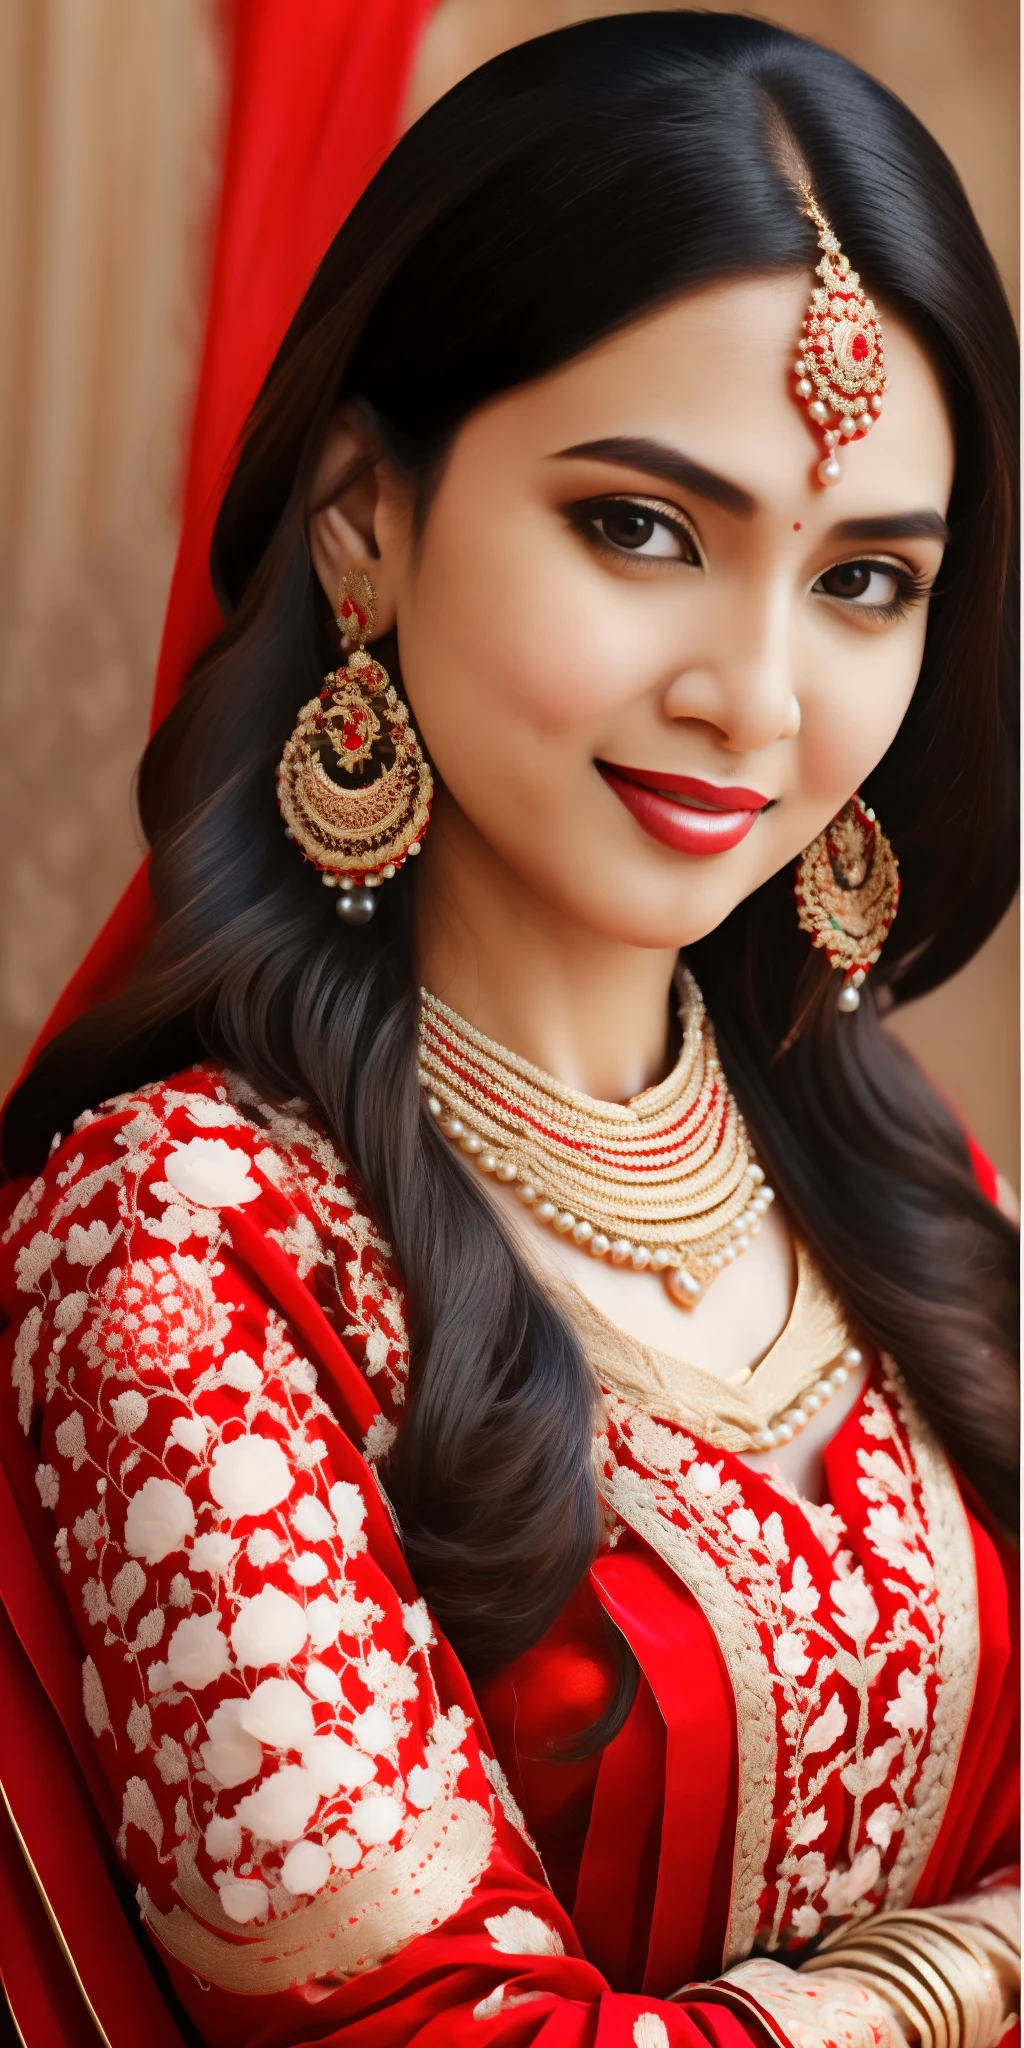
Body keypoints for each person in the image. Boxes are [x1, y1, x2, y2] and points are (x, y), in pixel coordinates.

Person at [0, 14, 1018, 2045]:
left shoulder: (898, 1181)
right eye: (642, 527)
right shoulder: (179, 1243)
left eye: (862, 579)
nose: (754, 696)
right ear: (365, 513)